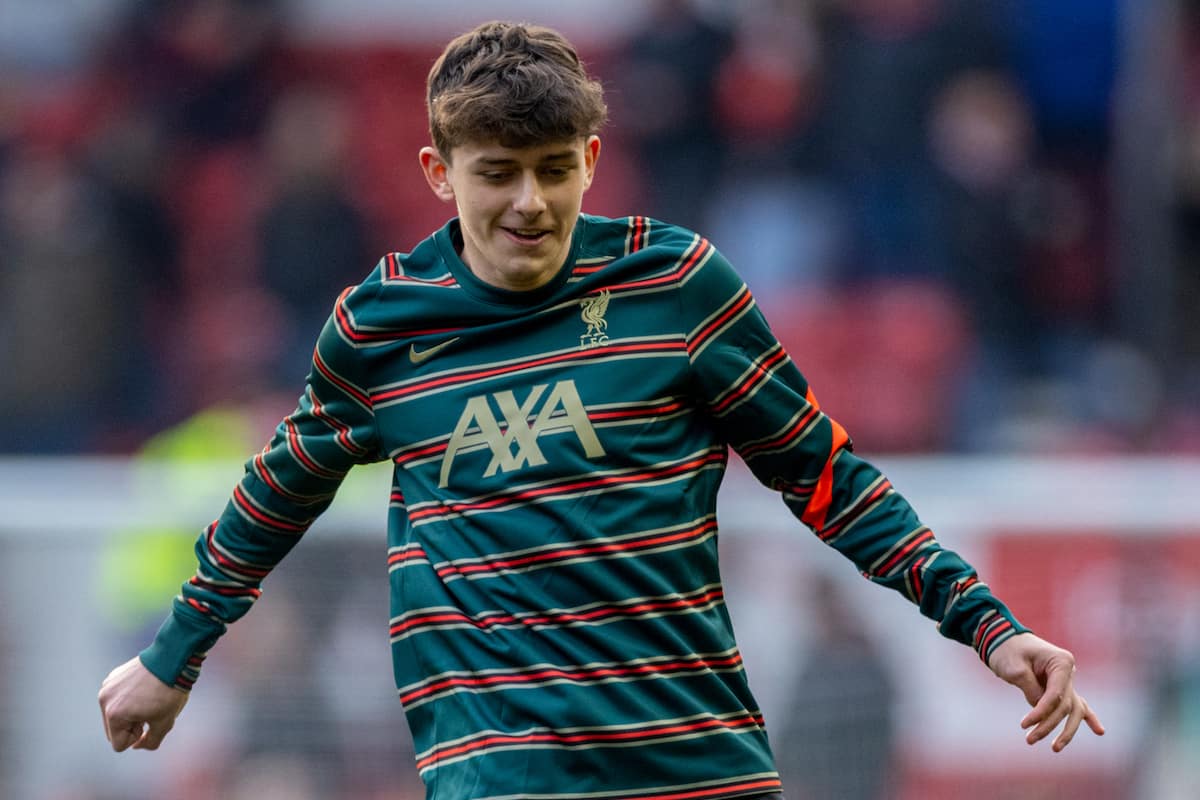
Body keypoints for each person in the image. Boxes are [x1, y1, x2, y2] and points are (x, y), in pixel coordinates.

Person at [98, 20, 1105, 800]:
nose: (529, 201)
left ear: (589, 156)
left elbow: (827, 473)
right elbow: (275, 495)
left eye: (552, 169)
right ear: (439, 173)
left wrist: (984, 621)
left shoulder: (678, 285)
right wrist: (171, 656)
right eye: (497, 173)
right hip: (499, 771)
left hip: (692, 761)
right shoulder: (380, 327)